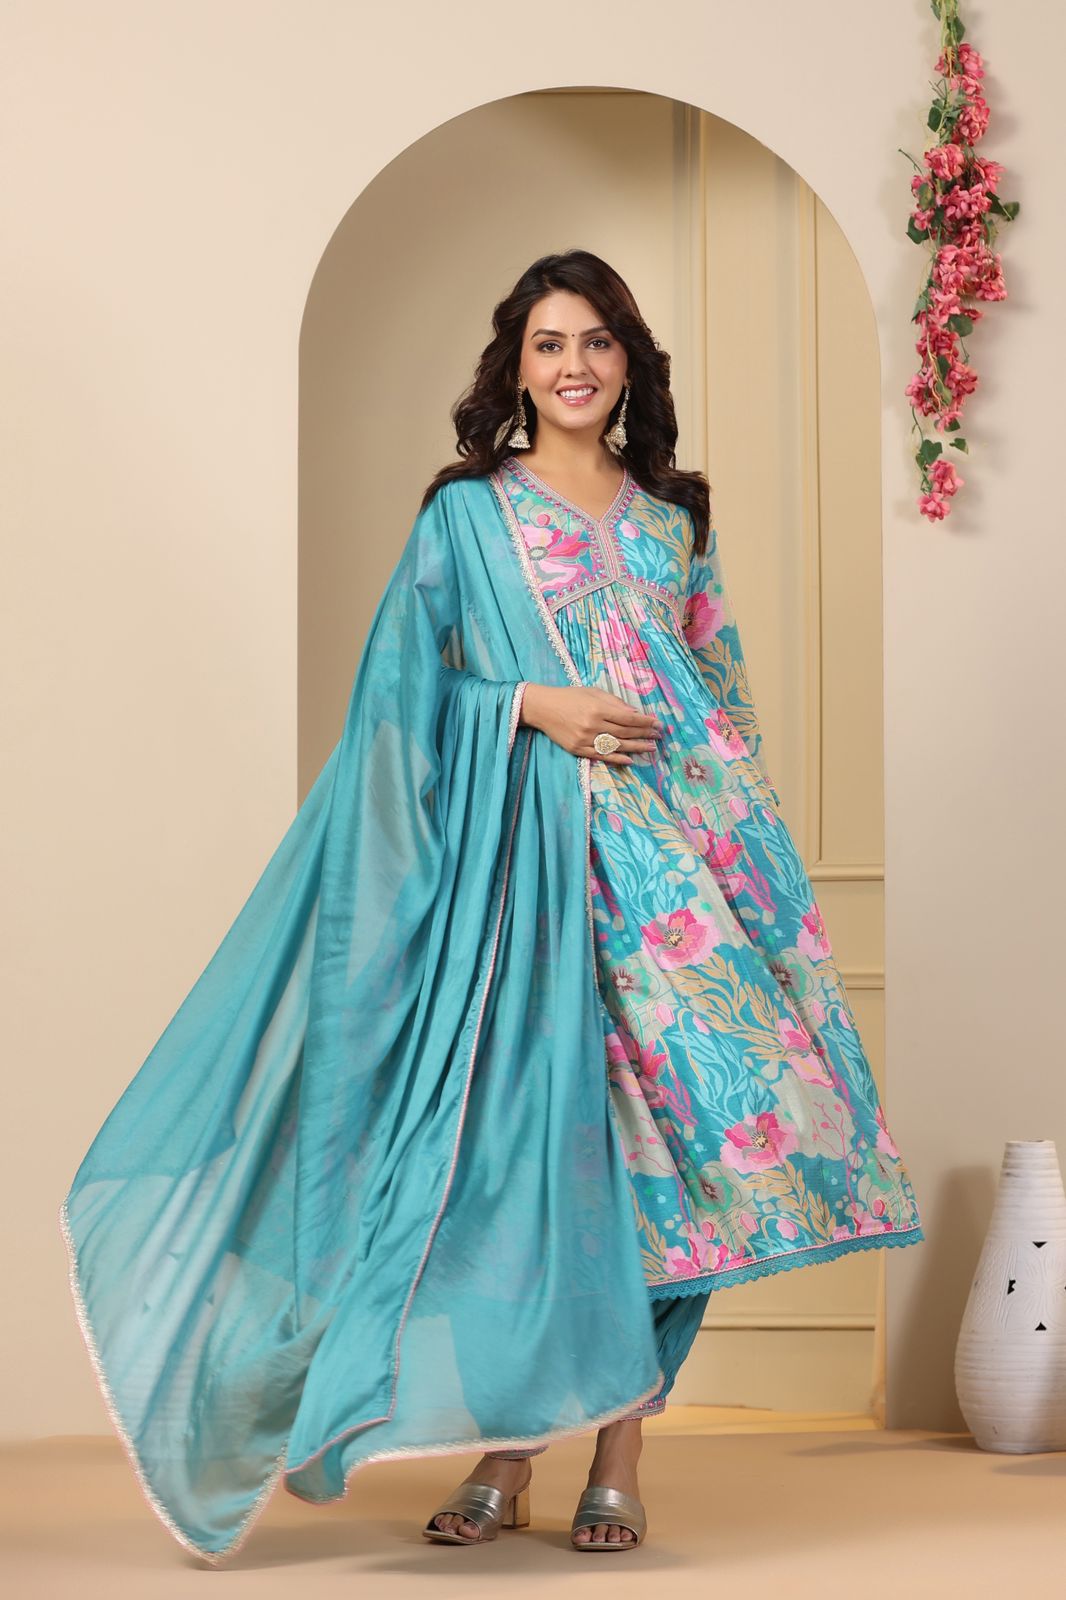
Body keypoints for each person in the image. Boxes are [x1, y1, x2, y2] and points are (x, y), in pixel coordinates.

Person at [60, 249, 924, 1566]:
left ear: (628, 362)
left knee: (686, 1175)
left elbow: (723, 700)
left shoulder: (672, 518)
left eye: (596, 341)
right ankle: (509, 1451)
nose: (574, 365)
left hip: (683, 885)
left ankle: (618, 1455)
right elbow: (395, 700)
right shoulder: (467, 514)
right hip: (526, 887)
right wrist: (528, 705)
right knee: (530, 1167)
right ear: (515, 369)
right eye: (548, 344)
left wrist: (753, 876)